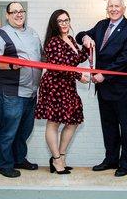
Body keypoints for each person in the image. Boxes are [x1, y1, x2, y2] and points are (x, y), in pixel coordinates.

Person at [76, 0, 127, 177]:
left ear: (124, 8)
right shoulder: (101, 25)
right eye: (110, 6)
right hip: (103, 88)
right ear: (107, 8)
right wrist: (86, 38)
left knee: (126, 127)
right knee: (108, 125)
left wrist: (104, 74)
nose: (113, 9)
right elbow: (79, 34)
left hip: (123, 88)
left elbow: (125, 58)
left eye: (116, 6)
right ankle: (111, 159)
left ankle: (126, 162)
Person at [0, 2, 42, 178]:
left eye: (21, 11)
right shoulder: (0, 35)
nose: (19, 14)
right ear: (7, 15)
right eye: (14, 12)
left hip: (31, 92)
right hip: (10, 92)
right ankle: (4, 165)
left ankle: (19, 159)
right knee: (9, 130)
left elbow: (41, 56)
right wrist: (10, 64)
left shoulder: (33, 33)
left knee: (24, 130)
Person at [35, 9, 89, 174]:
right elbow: (61, 67)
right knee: (54, 123)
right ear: (55, 24)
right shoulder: (53, 42)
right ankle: (57, 160)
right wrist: (79, 76)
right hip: (54, 86)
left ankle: (61, 157)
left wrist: (87, 45)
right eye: (60, 21)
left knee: (73, 121)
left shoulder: (70, 38)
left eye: (66, 20)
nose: (64, 23)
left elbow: (78, 58)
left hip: (68, 85)